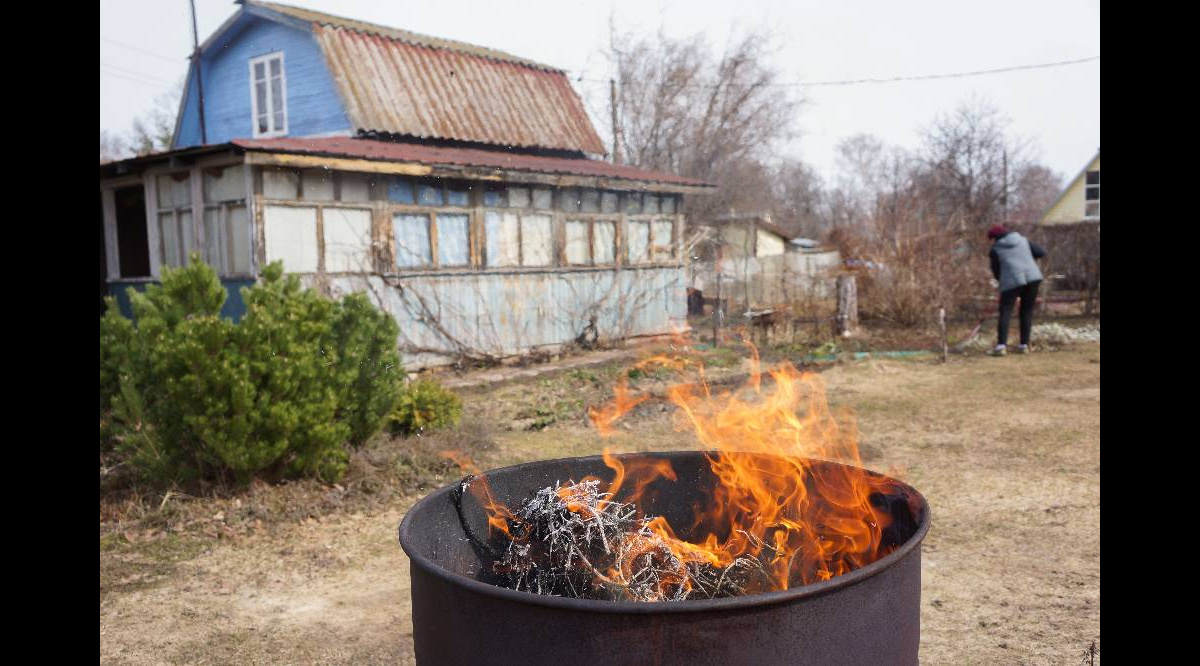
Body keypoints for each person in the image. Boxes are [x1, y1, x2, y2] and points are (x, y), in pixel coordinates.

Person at [987, 224, 1046, 356]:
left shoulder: (995, 249)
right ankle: (1024, 346)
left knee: (1005, 312)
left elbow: (996, 271)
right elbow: (1041, 252)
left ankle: (1001, 347)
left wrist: (1001, 282)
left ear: (993, 238)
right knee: (1026, 311)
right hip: (1033, 278)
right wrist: (1026, 260)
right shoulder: (1023, 240)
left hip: (1011, 280)